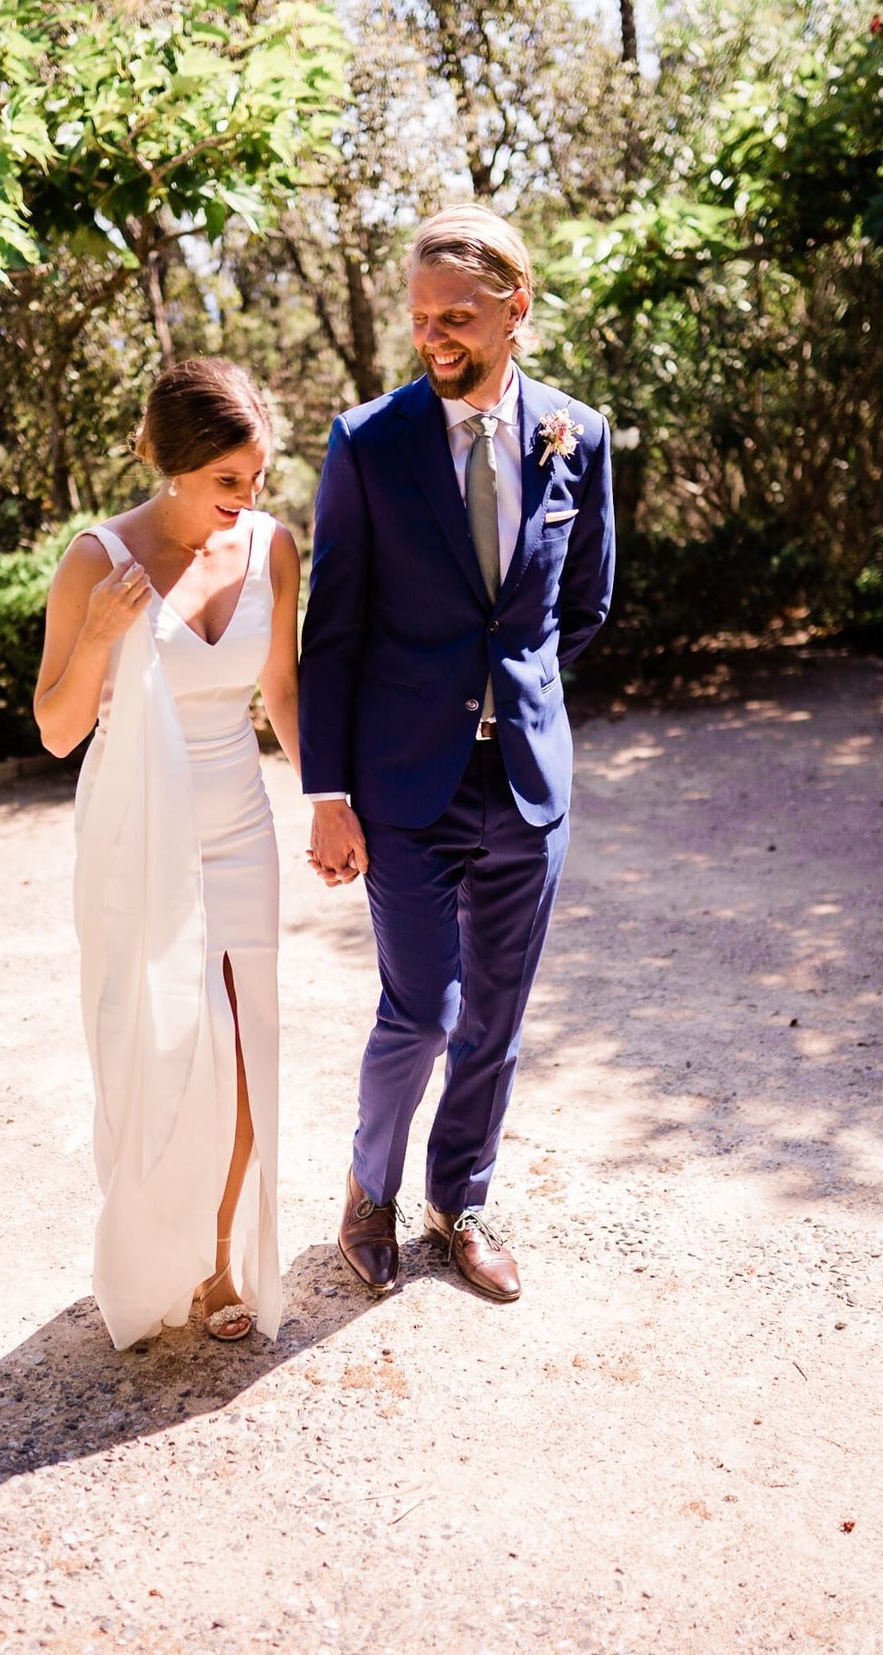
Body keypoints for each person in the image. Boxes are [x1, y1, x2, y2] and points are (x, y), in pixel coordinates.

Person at [299, 203, 616, 1304]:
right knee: (419, 1008)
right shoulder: (368, 442)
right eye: (422, 315)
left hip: (527, 781)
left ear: (515, 311)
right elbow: (329, 632)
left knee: (496, 1012)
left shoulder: (579, 431)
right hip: (402, 784)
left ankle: (459, 1198)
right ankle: (367, 1191)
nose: (435, 335)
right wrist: (330, 792)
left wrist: (512, 694)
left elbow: (585, 603)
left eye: (459, 316)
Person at [34, 358, 301, 1351]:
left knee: (242, 1045)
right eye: (230, 480)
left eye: (259, 476)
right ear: (174, 465)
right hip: (137, 831)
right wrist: (101, 632)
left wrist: (329, 802)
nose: (249, 500)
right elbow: (59, 728)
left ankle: (224, 1256)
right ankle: (155, 1254)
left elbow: (281, 691)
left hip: (239, 823)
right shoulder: (95, 559)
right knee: (155, 1050)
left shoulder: (272, 548)